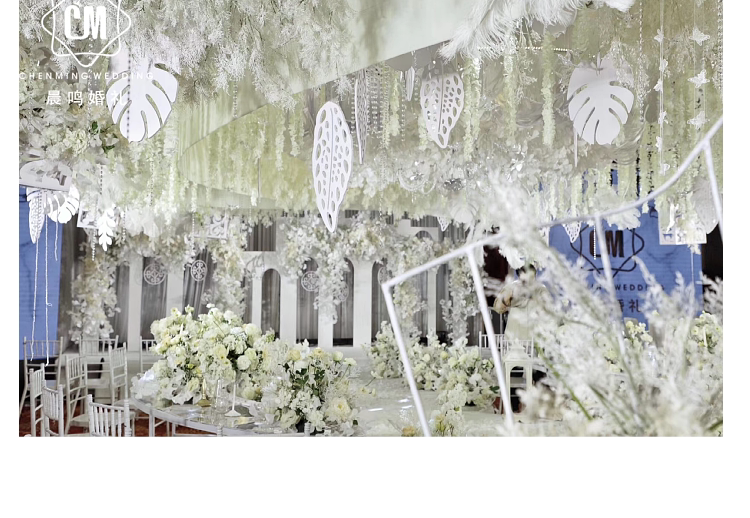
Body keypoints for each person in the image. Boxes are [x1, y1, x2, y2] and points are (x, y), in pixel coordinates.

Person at [492, 264, 547, 341]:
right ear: (519, 276)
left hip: (534, 337)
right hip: (514, 336)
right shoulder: (511, 287)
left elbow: (548, 311)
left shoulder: (541, 289)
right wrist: (507, 297)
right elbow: (498, 308)